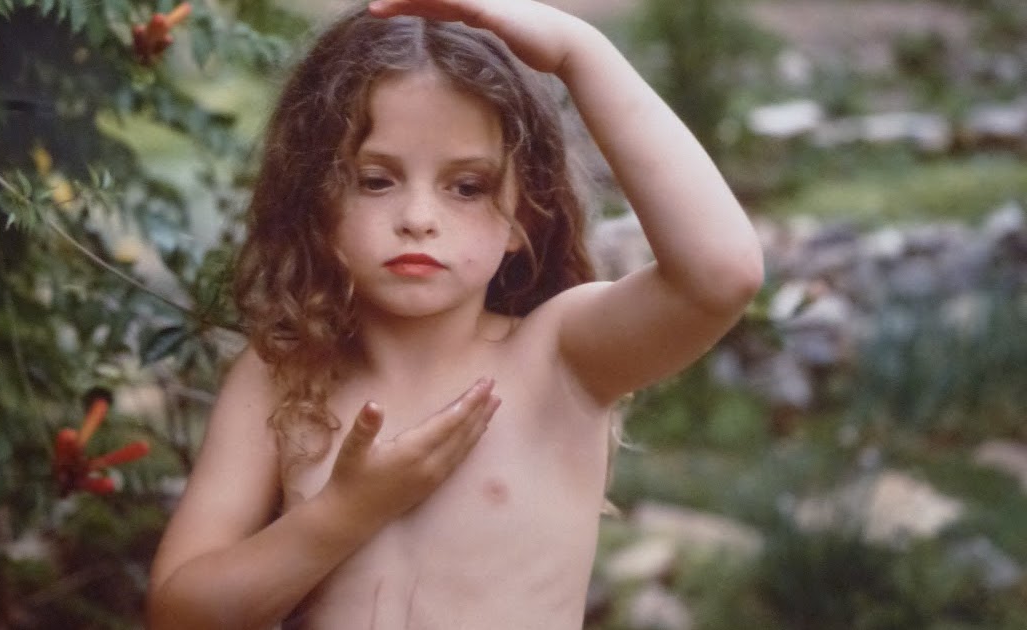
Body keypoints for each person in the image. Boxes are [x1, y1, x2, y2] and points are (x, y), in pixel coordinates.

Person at [148, 0, 763, 628]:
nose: (418, 217)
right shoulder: (280, 375)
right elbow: (180, 613)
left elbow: (721, 276)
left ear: (524, 217)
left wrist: (578, 52)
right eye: (376, 180)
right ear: (314, 201)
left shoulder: (559, 357)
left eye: (467, 187)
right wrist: (346, 512)